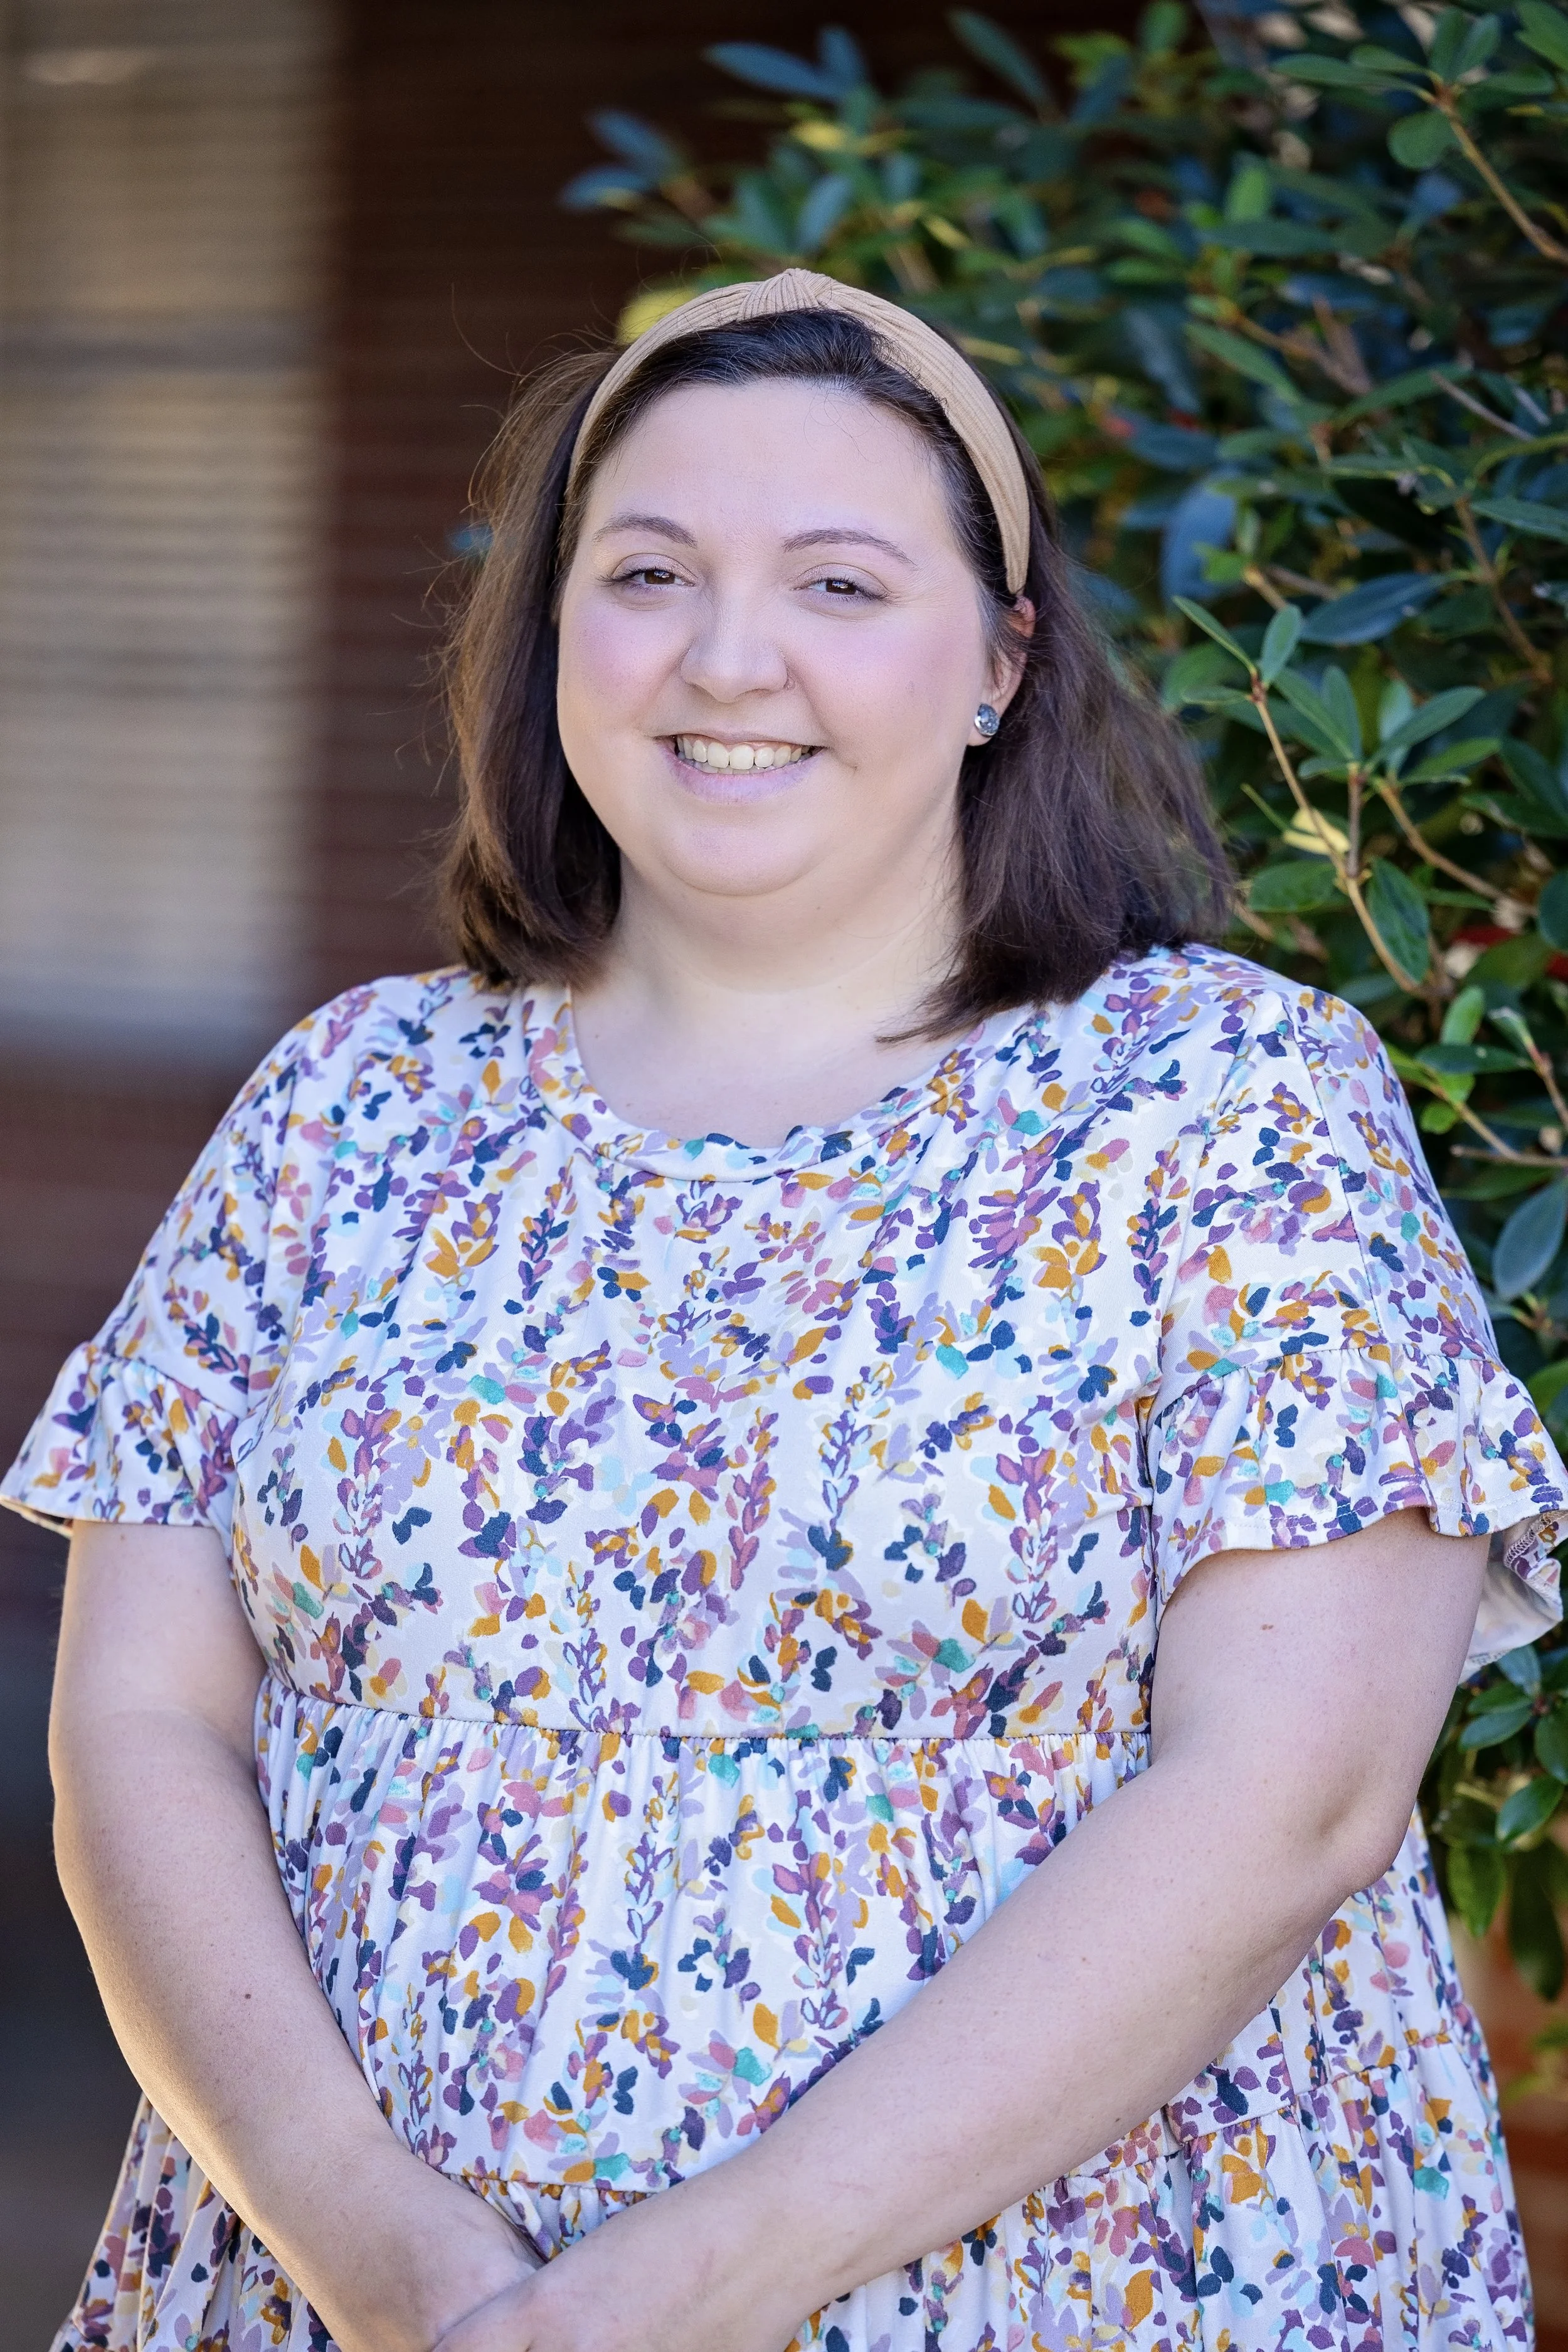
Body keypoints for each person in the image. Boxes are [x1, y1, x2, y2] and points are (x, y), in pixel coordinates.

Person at [9, 266, 1565, 2352]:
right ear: (554, 629)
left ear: (1004, 656)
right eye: (646, 571)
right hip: (330, 2296)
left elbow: (1287, 1792)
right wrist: (381, 2250)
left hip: (1071, 2294)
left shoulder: (1227, 1104)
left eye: (839, 582)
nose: (728, 657)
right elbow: (138, 1727)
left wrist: (647, 2300)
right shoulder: (344, 1104)